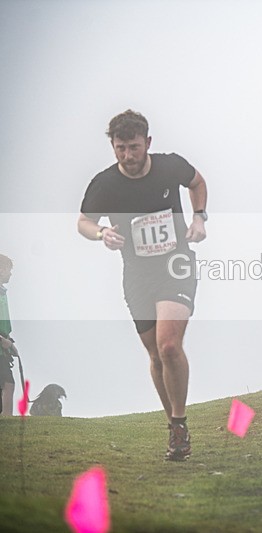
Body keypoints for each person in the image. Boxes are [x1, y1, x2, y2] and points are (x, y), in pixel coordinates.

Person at [78, 110, 208, 461]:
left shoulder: (169, 166)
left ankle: (179, 422)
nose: (127, 155)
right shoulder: (105, 184)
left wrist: (199, 218)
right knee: (155, 355)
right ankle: (174, 425)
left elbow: (197, 182)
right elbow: (83, 222)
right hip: (136, 277)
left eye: (134, 147)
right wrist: (101, 233)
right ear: (113, 146)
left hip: (175, 267)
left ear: (147, 142)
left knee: (169, 346)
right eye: (120, 148)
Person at [0, 254, 17, 416]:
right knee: (8, 384)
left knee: (7, 383)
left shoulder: (2, 293)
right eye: (8, 270)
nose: (10, 274)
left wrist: (9, 342)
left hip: (3, 349)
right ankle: (7, 419)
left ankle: (6, 418)